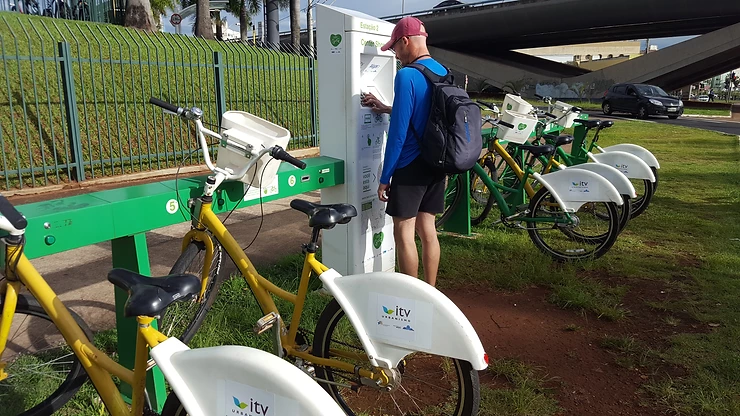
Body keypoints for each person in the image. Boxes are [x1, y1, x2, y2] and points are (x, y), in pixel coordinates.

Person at [361, 16, 447, 287]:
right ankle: (431, 291)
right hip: (437, 162)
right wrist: (387, 107)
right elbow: (422, 114)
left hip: (410, 166)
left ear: (406, 41)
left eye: (395, 48)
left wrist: (385, 177)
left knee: (404, 231)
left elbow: (399, 134)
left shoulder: (407, 75)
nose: (395, 54)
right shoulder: (442, 72)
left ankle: (413, 296)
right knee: (428, 230)